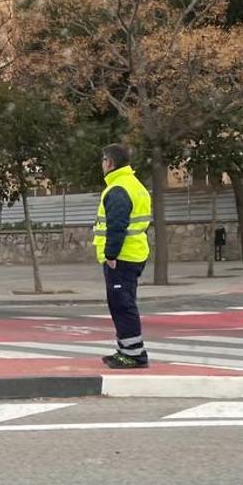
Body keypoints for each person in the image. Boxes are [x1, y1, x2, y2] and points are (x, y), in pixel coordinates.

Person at [93, 144, 153, 369]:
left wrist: (110, 253)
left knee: (122, 304)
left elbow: (117, 225)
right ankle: (127, 349)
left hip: (121, 257)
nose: (102, 165)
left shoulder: (118, 189)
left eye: (103, 161)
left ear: (109, 163)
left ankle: (134, 355)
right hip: (133, 253)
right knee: (123, 303)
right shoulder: (135, 185)